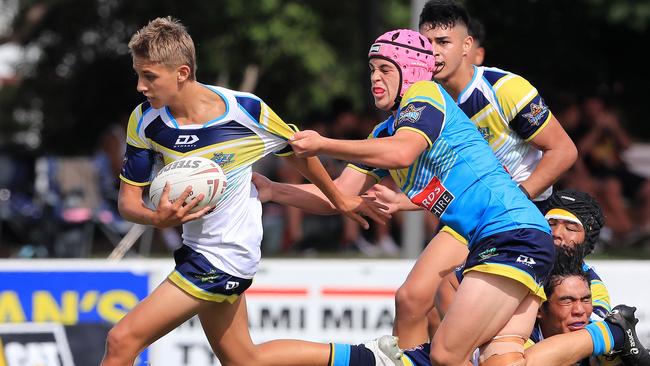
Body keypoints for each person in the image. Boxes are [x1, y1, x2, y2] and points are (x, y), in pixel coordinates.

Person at [258, 27, 560, 366]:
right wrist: (273, 191)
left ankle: (606, 334)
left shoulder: (425, 94)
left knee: (444, 353)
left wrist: (324, 144)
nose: (374, 78)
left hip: (512, 234)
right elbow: (339, 193)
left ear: (411, 70)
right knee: (494, 358)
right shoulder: (384, 132)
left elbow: (402, 153)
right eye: (372, 69)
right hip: (491, 239)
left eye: (385, 69)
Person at [102, 16, 392, 366]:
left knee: (121, 341)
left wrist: (339, 197)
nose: (140, 86)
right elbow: (127, 202)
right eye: (138, 75)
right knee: (244, 360)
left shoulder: (244, 111)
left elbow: (300, 153)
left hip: (226, 255)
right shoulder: (145, 121)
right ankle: (369, 357)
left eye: (149, 76)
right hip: (196, 248)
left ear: (181, 73)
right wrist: (157, 218)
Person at [385, 0, 578, 351]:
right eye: (426, 44)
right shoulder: (424, 100)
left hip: (520, 215)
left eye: (443, 42)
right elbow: (451, 183)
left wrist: (517, 194)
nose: (434, 53)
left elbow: (564, 151)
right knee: (412, 300)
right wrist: (401, 201)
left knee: (505, 334)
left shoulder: (504, 89)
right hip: (472, 218)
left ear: (467, 46)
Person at [396, 246, 649, 366]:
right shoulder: (510, 328)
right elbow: (448, 283)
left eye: (585, 300)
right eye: (567, 301)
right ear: (539, 308)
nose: (580, 310)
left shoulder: (594, 309)